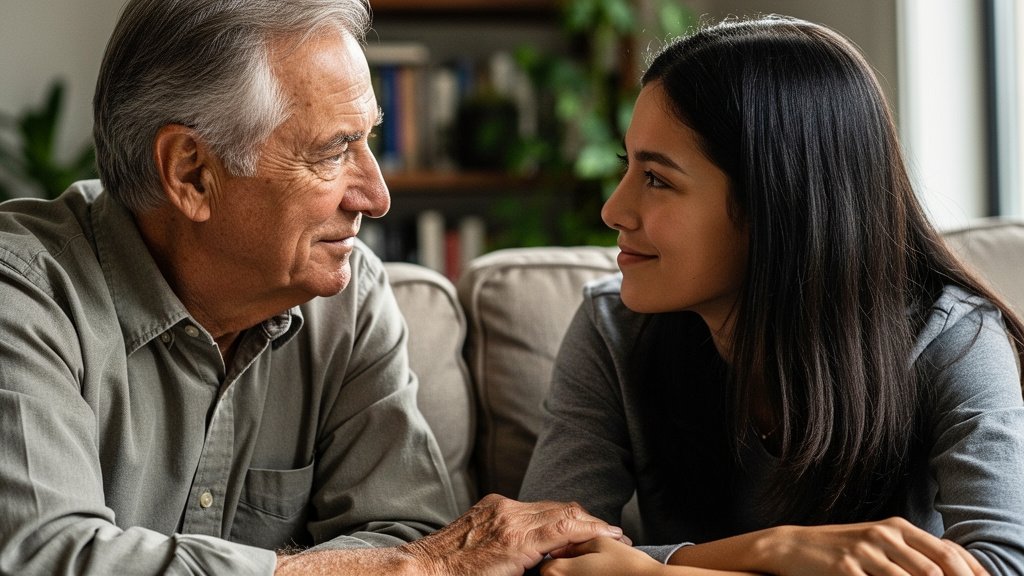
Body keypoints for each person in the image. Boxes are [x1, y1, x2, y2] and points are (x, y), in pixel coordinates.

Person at [0, 0, 625, 574]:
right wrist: (414, 568)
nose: (376, 197)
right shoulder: (21, 292)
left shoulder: (347, 299)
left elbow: (407, 527)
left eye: (368, 140)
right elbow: (45, 557)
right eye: (334, 150)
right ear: (192, 172)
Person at [519, 15, 1024, 576]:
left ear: (777, 207)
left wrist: (651, 571)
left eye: (657, 178)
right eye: (627, 166)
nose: (613, 209)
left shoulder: (952, 337)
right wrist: (772, 549)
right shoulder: (612, 328)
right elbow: (544, 555)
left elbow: (1003, 565)